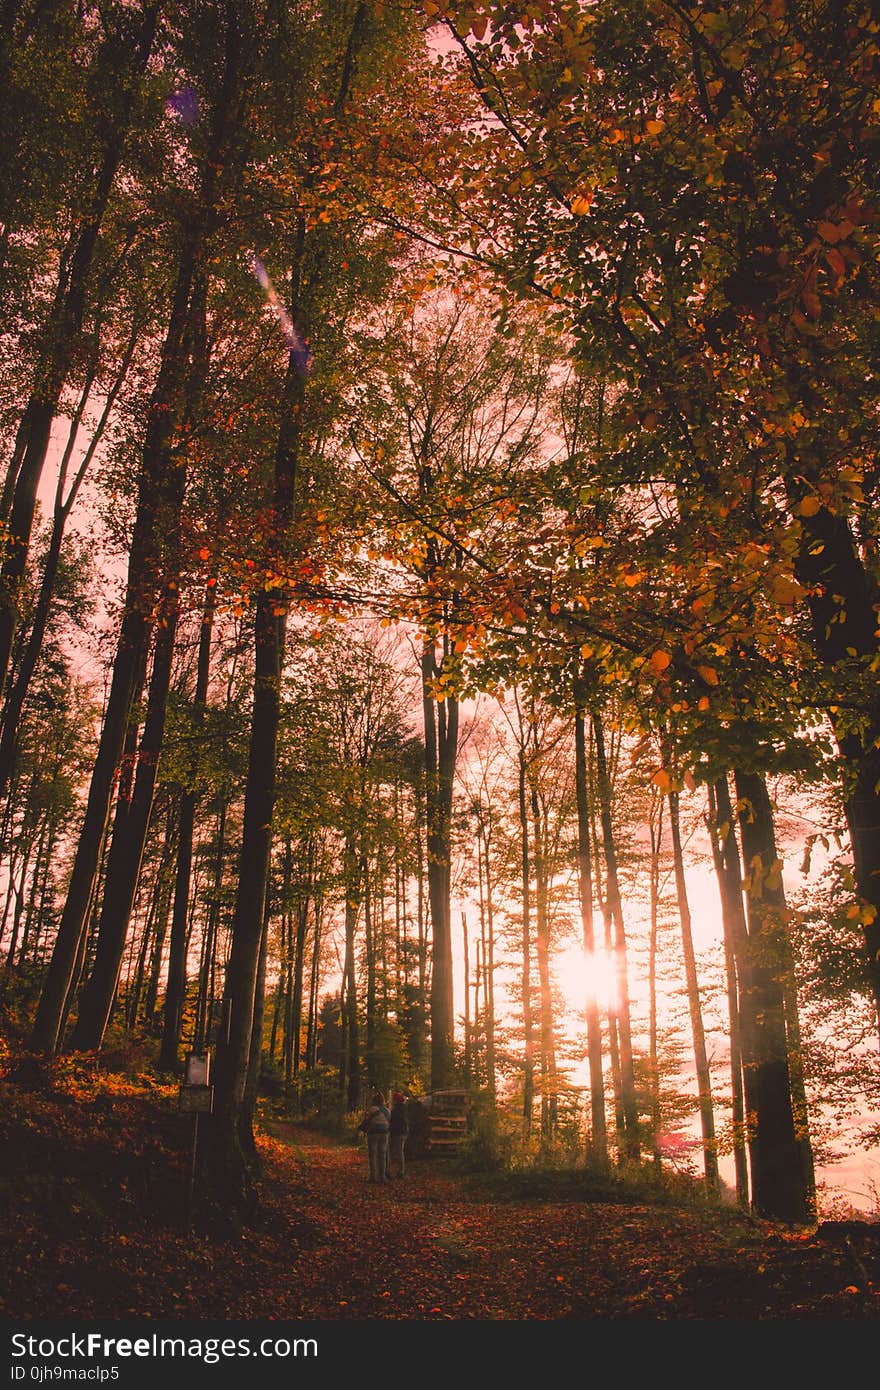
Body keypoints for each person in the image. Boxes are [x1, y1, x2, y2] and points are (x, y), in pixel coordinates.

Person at [361, 1090, 390, 1183]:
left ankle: (373, 1177)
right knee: (382, 1155)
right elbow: (389, 1121)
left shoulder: (372, 1109)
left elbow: (367, 1120)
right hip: (384, 1133)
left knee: (373, 1155)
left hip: (373, 1133)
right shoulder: (387, 1110)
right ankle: (382, 1177)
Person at [387, 1091, 409, 1180]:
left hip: (397, 1133)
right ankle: (399, 1171)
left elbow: (393, 1122)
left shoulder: (396, 1110)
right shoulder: (404, 1109)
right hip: (402, 1133)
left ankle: (396, 1171)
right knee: (399, 1152)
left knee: (396, 1152)